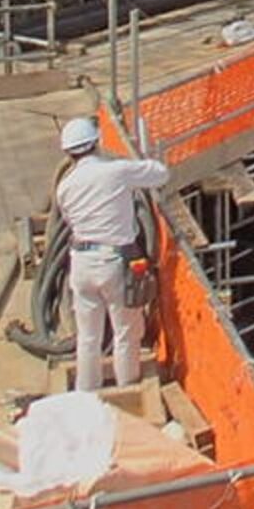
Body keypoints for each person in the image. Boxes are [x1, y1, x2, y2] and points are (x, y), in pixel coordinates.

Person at [53, 116, 170, 392]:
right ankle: (127, 388)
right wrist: (145, 154)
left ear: (69, 152)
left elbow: (70, 221)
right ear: (97, 143)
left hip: (80, 263)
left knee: (88, 337)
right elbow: (160, 173)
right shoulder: (116, 172)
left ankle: (86, 393)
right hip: (114, 261)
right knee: (126, 333)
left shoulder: (65, 188)